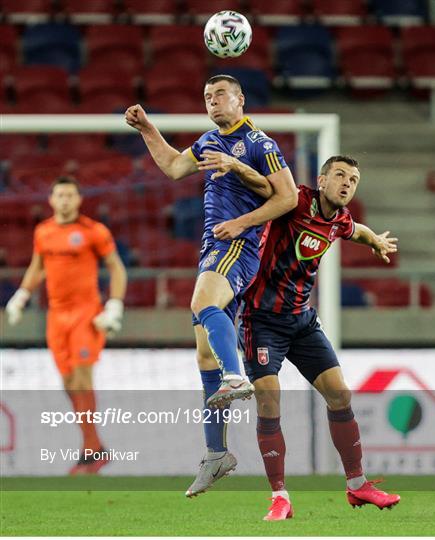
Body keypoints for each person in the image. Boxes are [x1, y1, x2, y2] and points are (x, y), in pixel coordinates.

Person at [125, 74, 298, 495]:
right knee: (204, 354)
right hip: (213, 246)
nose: (213, 102)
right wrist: (149, 128)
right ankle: (217, 454)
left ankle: (236, 375)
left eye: (220, 95)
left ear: (240, 99)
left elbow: (287, 197)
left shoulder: (261, 144)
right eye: (207, 97)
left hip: (237, 242)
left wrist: (241, 220)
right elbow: (171, 166)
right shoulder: (205, 142)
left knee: (203, 301)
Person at [212, 155, 401, 519]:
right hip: (261, 320)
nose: (347, 183)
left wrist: (374, 239)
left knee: (340, 394)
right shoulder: (295, 200)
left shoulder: (340, 219)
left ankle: (358, 485)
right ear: (322, 180)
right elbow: (265, 187)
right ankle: (280, 496)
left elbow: (354, 230)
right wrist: (237, 169)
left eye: (354, 179)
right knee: (269, 401)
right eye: (341, 175)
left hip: (301, 321)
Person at [6, 176, 127, 475]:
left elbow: (116, 268)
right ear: (50, 199)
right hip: (56, 316)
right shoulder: (43, 231)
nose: (65, 200)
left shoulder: (93, 231)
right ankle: (95, 447)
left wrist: (114, 305)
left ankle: (91, 452)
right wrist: (21, 296)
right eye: (60, 195)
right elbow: (37, 268)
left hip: (86, 314)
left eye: (70, 195)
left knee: (82, 379)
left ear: (79, 199)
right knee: (68, 383)